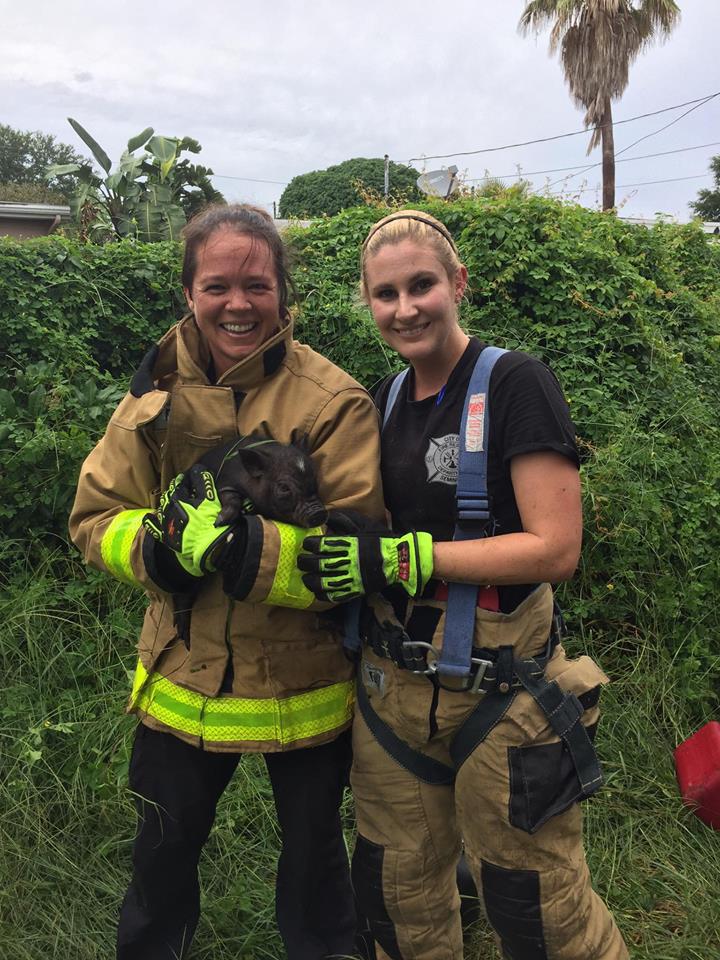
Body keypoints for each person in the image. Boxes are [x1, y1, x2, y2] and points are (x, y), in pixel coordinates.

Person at [299, 210, 629, 960]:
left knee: (535, 905)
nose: (406, 307)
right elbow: (358, 535)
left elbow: (555, 547)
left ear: (458, 284)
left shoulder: (516, 383)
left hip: (504, 697)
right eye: (385, 294)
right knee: (397, 900)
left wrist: (410, 559)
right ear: (368, 303)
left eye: (422, 285)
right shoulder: (378, 402)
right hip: (393, 693)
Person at [69, 203, 385, 960]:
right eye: (217, 285)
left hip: (302, 684)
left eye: (257, 284)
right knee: (160, 859)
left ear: (284, 294)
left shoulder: (334, 400)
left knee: (317, 868)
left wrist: (260, 557)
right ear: (189, 292)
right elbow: (94, 517)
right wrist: (158, 552)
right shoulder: (151, 395)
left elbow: (359, 544)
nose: (237, 304)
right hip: (180, 672)